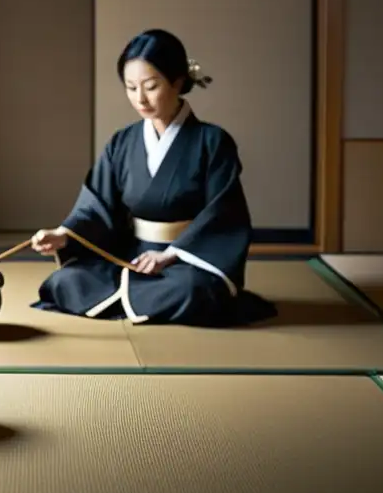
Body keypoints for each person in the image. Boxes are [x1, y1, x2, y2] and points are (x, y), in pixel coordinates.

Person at [30, 28, 276, 327]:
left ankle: (137, 299)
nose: (140, 99)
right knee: (66, 281)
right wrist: (64, 234)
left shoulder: (213, 142)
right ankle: (138, 298)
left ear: (178, 81)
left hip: (185, 263)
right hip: (129, 257)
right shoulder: (122, 142)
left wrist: (171, 255)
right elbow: (96, 205)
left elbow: (224, 215)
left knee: (192, 291)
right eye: (131, 88)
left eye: (150, 86)